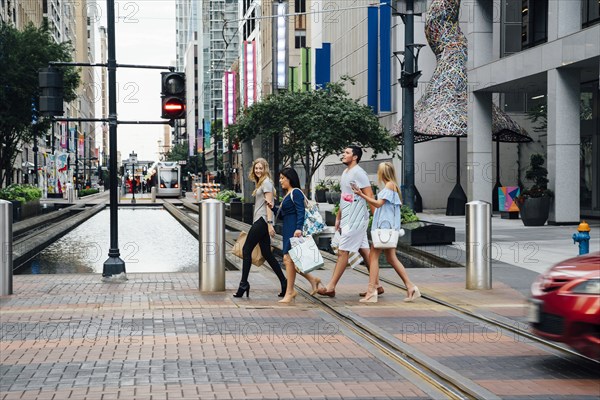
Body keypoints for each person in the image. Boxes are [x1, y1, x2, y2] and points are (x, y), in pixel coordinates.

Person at [352, 161, 420, 303]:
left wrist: (361, 194)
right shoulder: (392, 186)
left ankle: (371, 291)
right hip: (387, 229)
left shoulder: (389, 186)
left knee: (373, 257)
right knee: (391, 258)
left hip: (384, 229)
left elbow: (378, 204)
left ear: (382, 173)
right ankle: (411, 287)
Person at [317, 146, 379, 297]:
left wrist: (377, 219)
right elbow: (345, 196)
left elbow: (370, 195)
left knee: (343, 250)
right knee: (364, 251)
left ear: (355, 157)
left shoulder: (359, 173)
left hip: (357, 219)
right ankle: (377, 285)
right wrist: (338, 217)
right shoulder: (346, 172)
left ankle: (331, 287)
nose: (343, 155)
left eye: (347, 153)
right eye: (343, 152)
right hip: (348, 217)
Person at [233, 158, 287, 298]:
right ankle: (284, 282)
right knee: (267, 253)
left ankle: (243, 284)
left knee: (246, 249)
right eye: (256, 168)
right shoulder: (261, 182)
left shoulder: (267, 183)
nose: (258, 170)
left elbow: (269, 204)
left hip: (263, 221)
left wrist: (269, 224)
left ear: (265, 169)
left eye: (260, 168)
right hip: (260, 220)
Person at [268, 167, 323, 303]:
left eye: (282, 178)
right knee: (291, 261)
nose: (280, 181)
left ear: (290, 178)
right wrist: (273, 207)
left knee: (288, 260)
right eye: (280, 178)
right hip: (288, 228)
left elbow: (301, 212)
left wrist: (298, 228)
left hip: (294, 229)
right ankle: (312, 280)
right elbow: (282, 214)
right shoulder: (288, 194)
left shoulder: (296, 192)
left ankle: (290, 292)